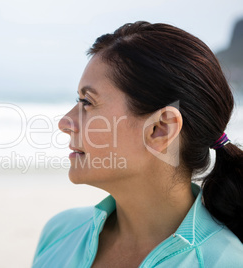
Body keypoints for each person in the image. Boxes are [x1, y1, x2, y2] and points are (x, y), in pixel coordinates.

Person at [32, 21, 243, 268]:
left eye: (87, 102)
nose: (65, 122)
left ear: (160, 129)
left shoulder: (226, 262)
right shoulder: (59, 233)